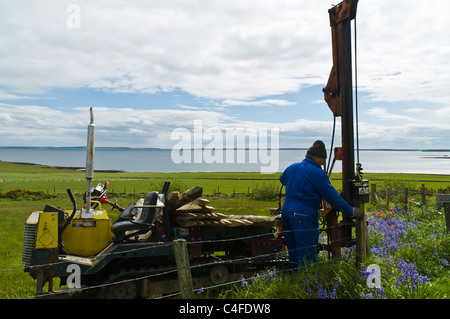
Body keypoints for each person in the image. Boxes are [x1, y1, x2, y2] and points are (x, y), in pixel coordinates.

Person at [279, 140, 363, 271]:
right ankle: (308, 285)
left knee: (294, 251)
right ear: (318, 158)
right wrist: (351, 211)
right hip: (304, 215)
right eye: (323, 160)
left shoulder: (292, 167)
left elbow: (282, 179)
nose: (324, 163)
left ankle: (295, 281)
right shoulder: (318, 174)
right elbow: (333, 197)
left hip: (287, 213)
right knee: (307, 253)